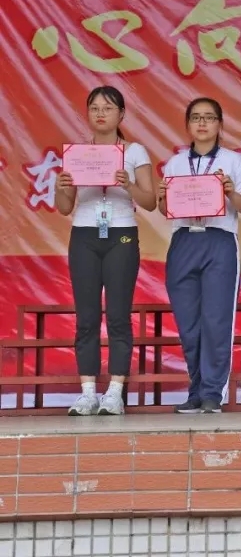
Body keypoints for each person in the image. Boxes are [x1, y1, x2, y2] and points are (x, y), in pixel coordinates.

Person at [55, 86, 156, 416]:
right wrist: (61, 188)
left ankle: (114, 392)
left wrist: (128, 184)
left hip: (121, 234)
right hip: (84, 234)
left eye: (108, 108)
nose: (101, 113)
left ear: (121, 114)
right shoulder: (77, 154)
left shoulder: (135, 151)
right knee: (86, 317)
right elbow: (64, 207)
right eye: (95, 108)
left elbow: (150, 202)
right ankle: (87, 392)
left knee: (117, 315)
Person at [158, 97, 241, 414]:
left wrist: (229, 192)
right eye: (196, 117)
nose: (202, 123)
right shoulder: (174, 163)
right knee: (188, 324)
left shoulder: (234, 161)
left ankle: (213, 391)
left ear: (220, 124)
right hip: (184, 240)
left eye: (209, 117)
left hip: (219, 241)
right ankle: (196, 390)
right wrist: (163, 198)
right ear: (187, 124)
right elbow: (164, 208)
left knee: (216, 320)